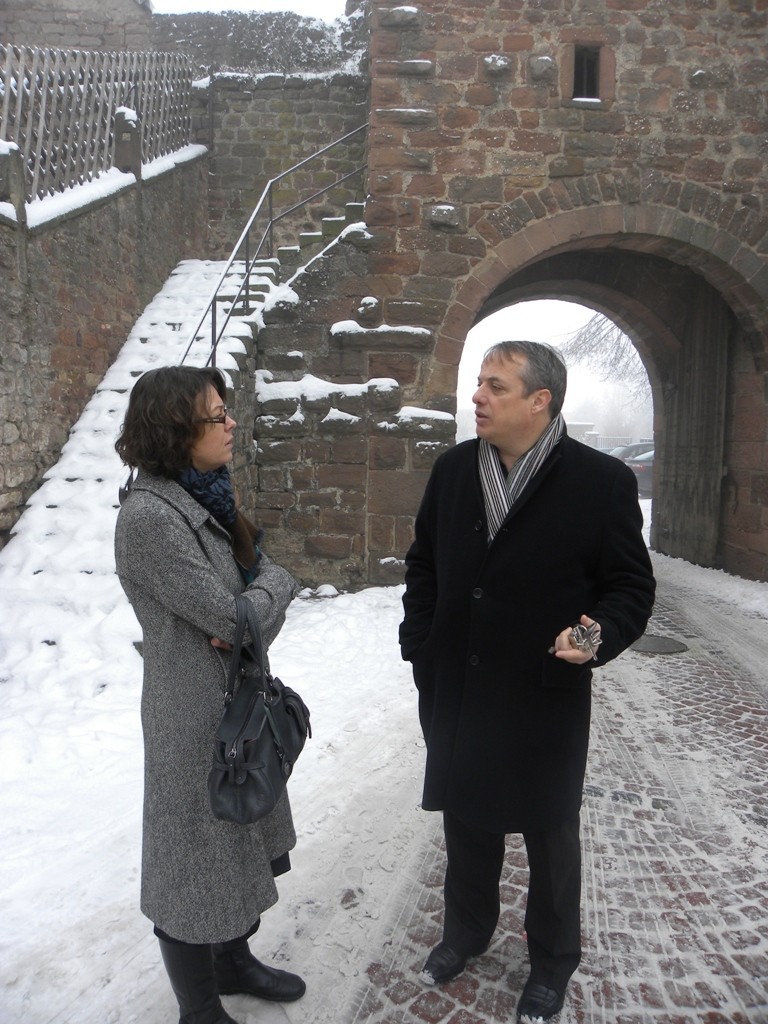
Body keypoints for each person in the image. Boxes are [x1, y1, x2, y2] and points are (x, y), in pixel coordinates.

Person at [399, 340, 655, 1022]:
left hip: (545, 688)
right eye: (478, 384)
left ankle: (552, 958)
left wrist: (593, 637)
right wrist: (418, 642)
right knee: (467, 821)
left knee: (549, 831)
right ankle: (465, 933)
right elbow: (422, 563)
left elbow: (630, 585)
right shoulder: (454, 470)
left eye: (495, 386)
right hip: (458, 682)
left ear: (540, 400)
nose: (477, 397)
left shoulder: (600, 482)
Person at [114, 365, 305, 1024]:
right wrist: (266, 593)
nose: (231, 423)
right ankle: (198, 1007)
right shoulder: (150, 518)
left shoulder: (206, 497)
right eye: (216, 414)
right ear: (175, 428)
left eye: (227, 411)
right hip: (191, 718)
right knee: (191, 862)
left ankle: (234, 961)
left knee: (236, 843)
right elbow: (234, 616)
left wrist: (255, 600)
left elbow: (249, 600)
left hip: (234, 703)